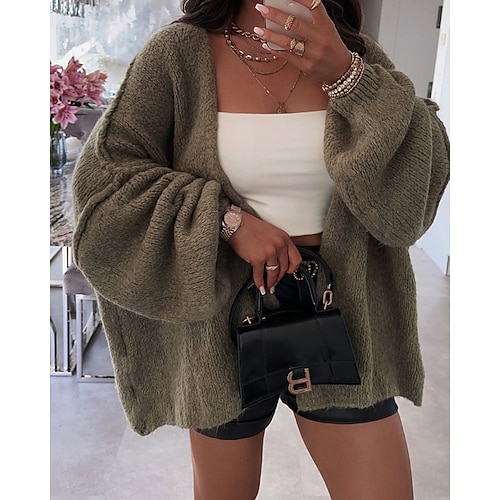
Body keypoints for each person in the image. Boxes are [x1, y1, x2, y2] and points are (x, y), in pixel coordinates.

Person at [71, 0, 450, 498]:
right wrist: (226, 222)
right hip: (220, 328)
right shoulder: (178, 55)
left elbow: (415, 191)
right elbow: (105, 184)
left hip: (344, 314)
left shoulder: (351, 52)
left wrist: (350, 78)